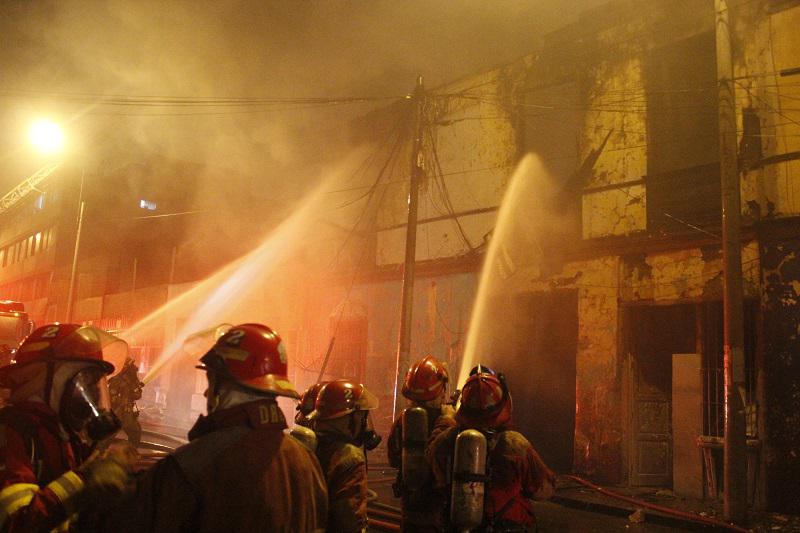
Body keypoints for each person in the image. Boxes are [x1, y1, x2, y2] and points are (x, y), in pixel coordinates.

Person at [95, 323, 328, 533]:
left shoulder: (194, 464)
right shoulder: (306, 461)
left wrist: (108, 484)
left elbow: (123, 524)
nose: (207, 392)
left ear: (222, 384)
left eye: (211, 380)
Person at [0, 323, 135, 532]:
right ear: (49, 380)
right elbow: (16, 523)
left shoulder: (64, 435)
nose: (95, 394)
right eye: (87, 383)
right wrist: (84, 478)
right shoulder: (12, 432)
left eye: (97, 384)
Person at [427, 369, 555, 532]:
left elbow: (430, 460)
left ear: (463, 407)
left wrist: (445, 420)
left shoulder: (446, 439)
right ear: (504, 403)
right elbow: (543, 490)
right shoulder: (515, 444)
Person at [388, 355, 456, 532]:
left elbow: (393, 459)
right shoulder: (448, 423)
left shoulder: (403, 419)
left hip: (410, 510)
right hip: (438, 513)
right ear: (441, 389)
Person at [309, 379, 380, 533]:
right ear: (349, 417)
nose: (364, 426)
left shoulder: (306, 446)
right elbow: (348, 522)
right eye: (362, 418)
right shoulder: (349, 457)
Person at [108, 357, 143, 446]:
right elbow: (111, 396)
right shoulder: (117, 379)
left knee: (135, 432)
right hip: (118, 412)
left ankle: (131, 452)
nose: (134, 368)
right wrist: (122, 400)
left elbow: (138, 395)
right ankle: (99, 452)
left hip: (128, 412)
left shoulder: (133, 380)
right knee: (108, 434)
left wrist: (135, 391)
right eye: (131, 366)